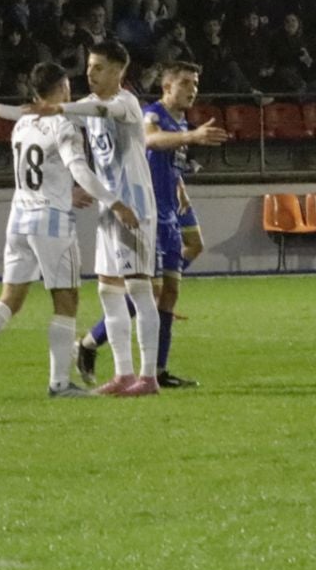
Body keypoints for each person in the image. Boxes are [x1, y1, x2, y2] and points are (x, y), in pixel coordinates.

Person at [0, 40, 161, 395]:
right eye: (89, 67)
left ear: (118, 71)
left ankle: (148, 377)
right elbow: (41, 110)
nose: (90, 73)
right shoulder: (83, 106)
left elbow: (101, 112)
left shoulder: (125, 103)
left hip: (134, 206)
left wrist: (62, 109)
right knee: (108, 290)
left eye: (98, 67)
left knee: (139, 289)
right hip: (109, 208)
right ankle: (123, 375)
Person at [0, 61, 138, 399]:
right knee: (66, 299)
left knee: (10, 298)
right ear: (62, 88)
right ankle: (59, 384)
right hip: (51, 222)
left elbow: (36, 163)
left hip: (19, 219)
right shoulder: (64, 125)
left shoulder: (24, 124)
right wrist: (115, 203)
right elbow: (80, 172)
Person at [75, 61, 228, 388]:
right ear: (167, 87)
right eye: (186, 82)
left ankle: (158, 370)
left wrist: (181, 189)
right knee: (151, 290)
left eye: (196, 83)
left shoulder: (180, 120)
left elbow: (170, 161)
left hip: (172, 208)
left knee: (171, 287)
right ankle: (90, 342)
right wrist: (193, 136)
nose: (192, 89)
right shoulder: (151, 114)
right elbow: (150, 140)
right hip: (149, 214)